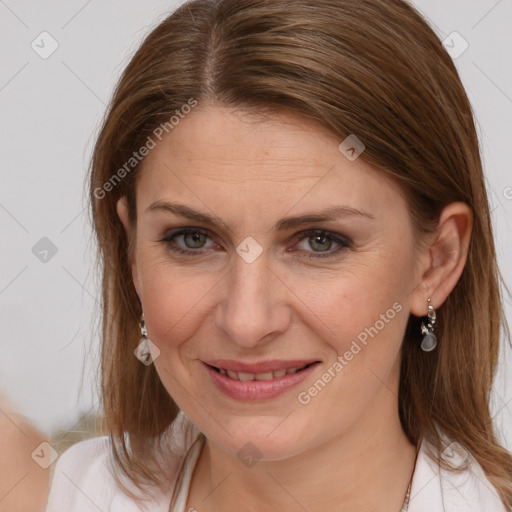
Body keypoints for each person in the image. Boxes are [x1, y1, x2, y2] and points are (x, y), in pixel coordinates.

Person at [45, 0, 512, 510]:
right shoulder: (65, 491)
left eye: (319, 241)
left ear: (437, 262)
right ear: (131, 253)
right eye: (192, 239)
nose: (247, 322)